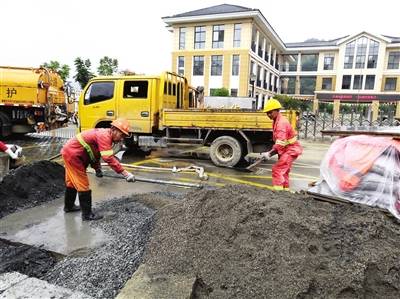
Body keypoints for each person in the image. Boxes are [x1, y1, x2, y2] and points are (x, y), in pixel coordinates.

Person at [61, 118, 135, 221]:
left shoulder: (104, 136)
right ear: (113, 129)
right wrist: (125, 173)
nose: (122, 138)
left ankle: (69, 207)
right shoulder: (104, 136)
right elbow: (108, 157)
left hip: (72, 153)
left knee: (71, 183)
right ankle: (87, 215)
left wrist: (97, 168)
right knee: (83, 184)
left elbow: (94, 154)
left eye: (123, 136)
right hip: (74, 156)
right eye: (121, 135)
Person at [262, 99, 303, 191]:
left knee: (277, 170)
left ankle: (279, 194)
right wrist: (269, 153)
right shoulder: (276, 120)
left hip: (290, 150)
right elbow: (280, 144)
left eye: (270, 112)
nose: (268, 115)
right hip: (287, 149)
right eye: (267, 113)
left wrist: (269, 154)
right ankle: (285, 192)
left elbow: (280, 143)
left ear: (277, 110)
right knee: (284, 172)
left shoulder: (281, 123)